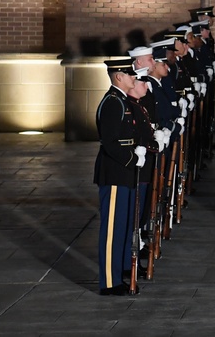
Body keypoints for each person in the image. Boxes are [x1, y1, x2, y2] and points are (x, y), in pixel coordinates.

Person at [94, 58, 149, 296]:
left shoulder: (122, 101)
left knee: (124, 226)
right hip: (116, 171)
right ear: (119, 77)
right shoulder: (113, 103)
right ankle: (109, 281)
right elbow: (110, 142)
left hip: (125, 171)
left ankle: (121, 270)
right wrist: (132, 158)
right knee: (112, 230)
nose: (134, 78)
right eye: (130, 75)